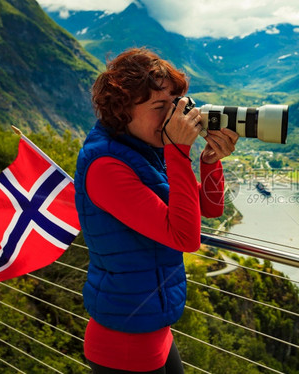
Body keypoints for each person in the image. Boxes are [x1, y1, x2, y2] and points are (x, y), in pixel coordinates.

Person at [74, 47, 239, 373]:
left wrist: (208, 162)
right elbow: (185, 237)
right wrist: (178, 151)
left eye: (176, 107)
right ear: (121, 112)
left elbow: (210, 208)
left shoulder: (147, 150)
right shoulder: (105, 166)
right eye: (159, 107)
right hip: (122, 345)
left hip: (155, 330)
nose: (172, 118)